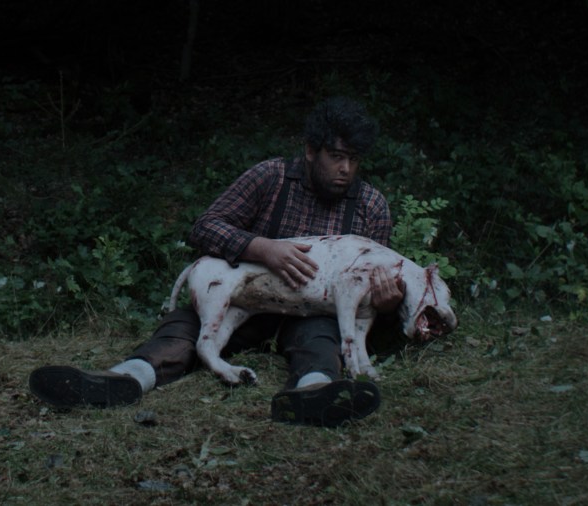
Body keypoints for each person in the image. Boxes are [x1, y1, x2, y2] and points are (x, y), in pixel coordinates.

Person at [28, 96, 400, 427]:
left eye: (353, 159)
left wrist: (384, 302)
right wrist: (262, 248)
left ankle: (314, 393)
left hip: (311, 314)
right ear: (310, 151)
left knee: (320, 338)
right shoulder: (271, 178)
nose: (345, 169)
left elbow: (368, 288)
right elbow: (205, 227)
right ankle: (122, 380)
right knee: (184, 328)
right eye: (336, 156)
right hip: (245, 299)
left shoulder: (370, 206)